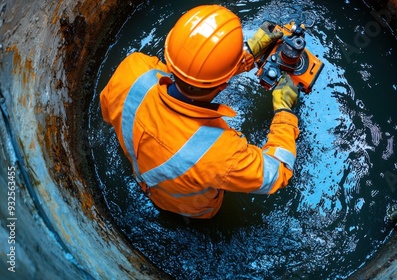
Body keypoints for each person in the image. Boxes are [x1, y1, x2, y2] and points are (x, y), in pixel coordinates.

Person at [100, 5, 300, 219]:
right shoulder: (221, 153)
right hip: (192, 209)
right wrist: (283, 111)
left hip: (142, 173)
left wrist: (247, 53)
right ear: (223, 85)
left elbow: (186, 72)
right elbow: (277, 172)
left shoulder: (133, 68)